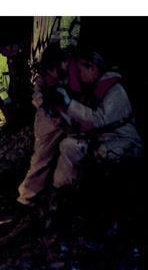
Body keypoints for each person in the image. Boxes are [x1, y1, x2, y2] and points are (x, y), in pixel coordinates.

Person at [46, 51, 143, 189]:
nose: (79, 75)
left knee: (99, 154)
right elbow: (84, 121)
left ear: (92, 68)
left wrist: (69, 104)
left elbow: (97, 120)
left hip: (125, 142)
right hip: (106, 140)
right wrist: (61, 113)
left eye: (81, 71)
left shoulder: (116, 90)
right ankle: (60, 188)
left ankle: (90, 192)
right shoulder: (95, 88)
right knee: (67, 145)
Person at [17, 16, 81, 207]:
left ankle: (63, 191)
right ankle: (26, 198)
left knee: (72, 152)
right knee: (41, 160)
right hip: (48, 121)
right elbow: (39, 99)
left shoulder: (69, 74)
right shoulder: (44, 80)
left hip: (65, 118)